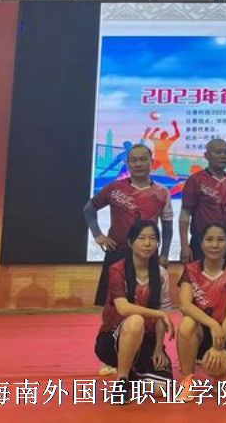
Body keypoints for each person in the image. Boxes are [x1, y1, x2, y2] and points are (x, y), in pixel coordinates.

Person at [84, 143, 173, 375]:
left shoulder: (162, 192)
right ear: (127, 163)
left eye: (143, 159)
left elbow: (167, 226)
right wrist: (98, 234)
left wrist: (164, 254)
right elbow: (89, 208)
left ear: (151, 161)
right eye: (134, 160)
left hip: (147, 255)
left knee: (148, 302)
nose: (139, 164)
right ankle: (112, 350)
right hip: (118, 252)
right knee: (112, 304)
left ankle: (148, 347)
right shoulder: (115, 188)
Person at [93, 220, 175, 404]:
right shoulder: (117, 269)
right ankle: (122, 381)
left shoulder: (161, 273)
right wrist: (159, 314)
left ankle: (134, 374)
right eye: (142, 238)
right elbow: (123, 308)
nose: (147, 243)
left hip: (146, 340)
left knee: (161, 390)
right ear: (130, 243)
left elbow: (161, 312)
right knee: (136, 320)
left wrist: (158, 348)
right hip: (113, 339)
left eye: (153, 238)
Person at [176, 223, 226, 400]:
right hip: (203, 331)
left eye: (220, 240)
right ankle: (188, 380)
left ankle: (220, 375)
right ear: (201, 243)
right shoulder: (191, 270)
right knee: (187, 323)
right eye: (209, 239)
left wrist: (218, 346)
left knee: (216, 367)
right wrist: (212, 324)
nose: (214, 245)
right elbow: (185, 305)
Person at [179, 139, 226, 263]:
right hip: (202, 243)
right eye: (218, 152)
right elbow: (185, 214)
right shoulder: (195, 180)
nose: (223, 156)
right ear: (206, 156)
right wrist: (184, 246)